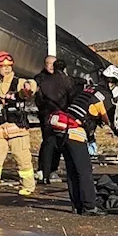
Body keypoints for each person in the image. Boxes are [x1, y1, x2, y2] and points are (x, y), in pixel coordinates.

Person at [47, 79, 114, 216]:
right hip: (75, 134)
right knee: (84, 171)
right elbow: (108, 119)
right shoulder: (102, 96)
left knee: (72, 171)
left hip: (61, 133)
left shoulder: (87, 91)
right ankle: (89, 206)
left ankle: (76, 205)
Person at [0, 52, 37, 197]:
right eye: (3, 67)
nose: (6, 69)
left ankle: (28, 186)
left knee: (23, 160)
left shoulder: (19, 83)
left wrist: (30, 87)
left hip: (18, 130)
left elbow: (31, 88)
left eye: (9, 66)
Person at [34, 56, 75, 185]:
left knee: (52, 144)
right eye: (48, 63)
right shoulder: (41, 79)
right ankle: (45, 170)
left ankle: (48, 171)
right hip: (53, 116)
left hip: (50, 116)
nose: (50, 66)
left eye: (53, 64)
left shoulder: (45, 82)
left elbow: (39, 99)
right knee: (50, 143)